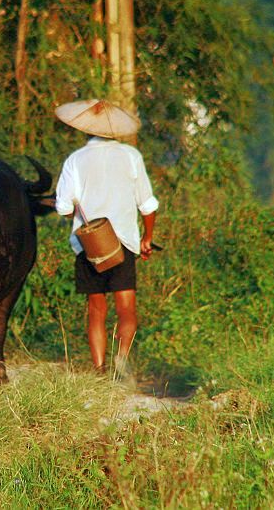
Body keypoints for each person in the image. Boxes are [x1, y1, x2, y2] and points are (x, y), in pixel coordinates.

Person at [53, 98, 158, 377]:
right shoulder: (131, 156)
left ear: (85, 129)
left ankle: (99, 369)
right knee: (126, 310)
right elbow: (148, 205)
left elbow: (63, 207)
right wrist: (147, 238)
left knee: (96, 310)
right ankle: (121, 359)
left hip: (89, 247)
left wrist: (78, 208)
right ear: (113, 130)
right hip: (123, 243)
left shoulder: (74, 160)